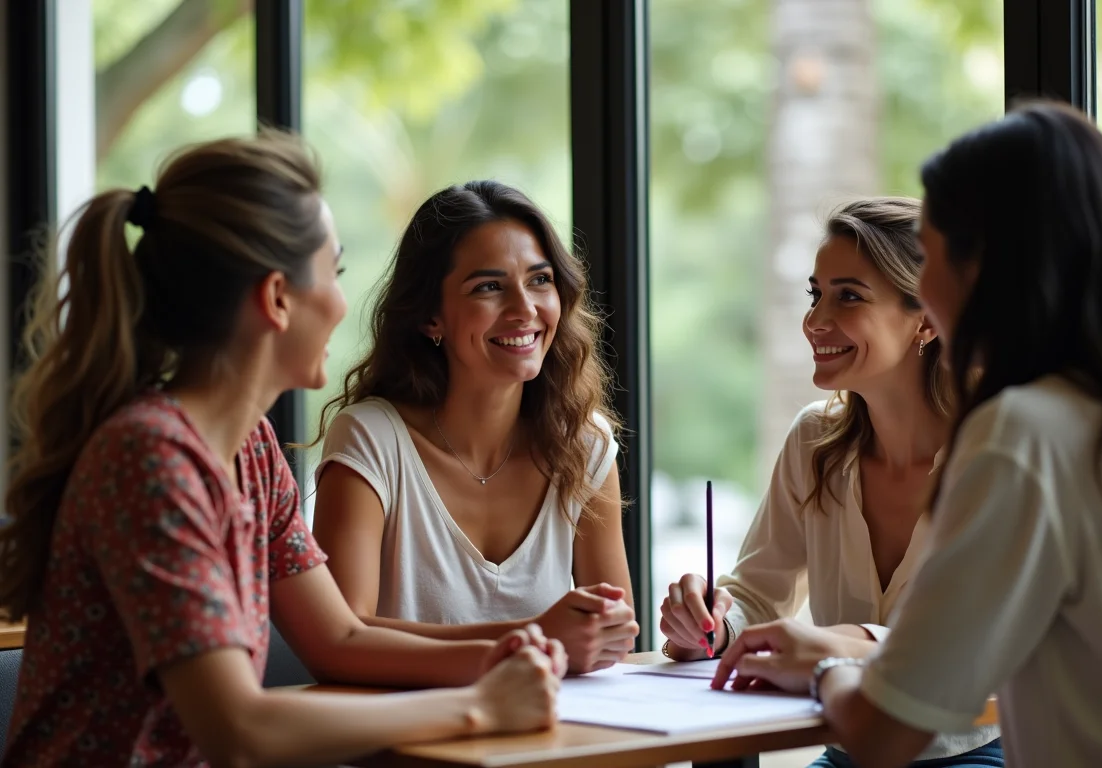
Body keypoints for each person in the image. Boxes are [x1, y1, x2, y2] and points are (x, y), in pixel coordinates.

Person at [711, 101, 1102, 768]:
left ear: (985, 269)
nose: (925, 282)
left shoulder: (1023, 435)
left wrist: (823, 666)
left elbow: (884, 733)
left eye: (936, 252)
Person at [0, 133, 566, 767]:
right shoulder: (150, 458)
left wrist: (513, 654)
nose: (342, 302)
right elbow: (239, 733)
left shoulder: (251, 448)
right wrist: (482, 706)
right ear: (276, 299)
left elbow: (340, 636)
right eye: (335, 272)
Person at [659, 198, 1001, 766]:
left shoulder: (996, 448)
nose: (815, 321)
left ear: (926, 317)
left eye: (849, 296)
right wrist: (714, 623)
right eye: (817, 294)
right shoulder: (814, 441)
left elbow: (975, 641)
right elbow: (757, 595)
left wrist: (839, 644)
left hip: (976, 752)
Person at [310, 180, 638, 675]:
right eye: (488, 287)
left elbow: (616, 639)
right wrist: (535, 637)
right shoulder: (371, 440)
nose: (525, 309)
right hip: (412, 742)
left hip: (556, 740)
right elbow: (343, 636)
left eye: (540, 280)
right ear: (429, 318)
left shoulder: (584, 444)